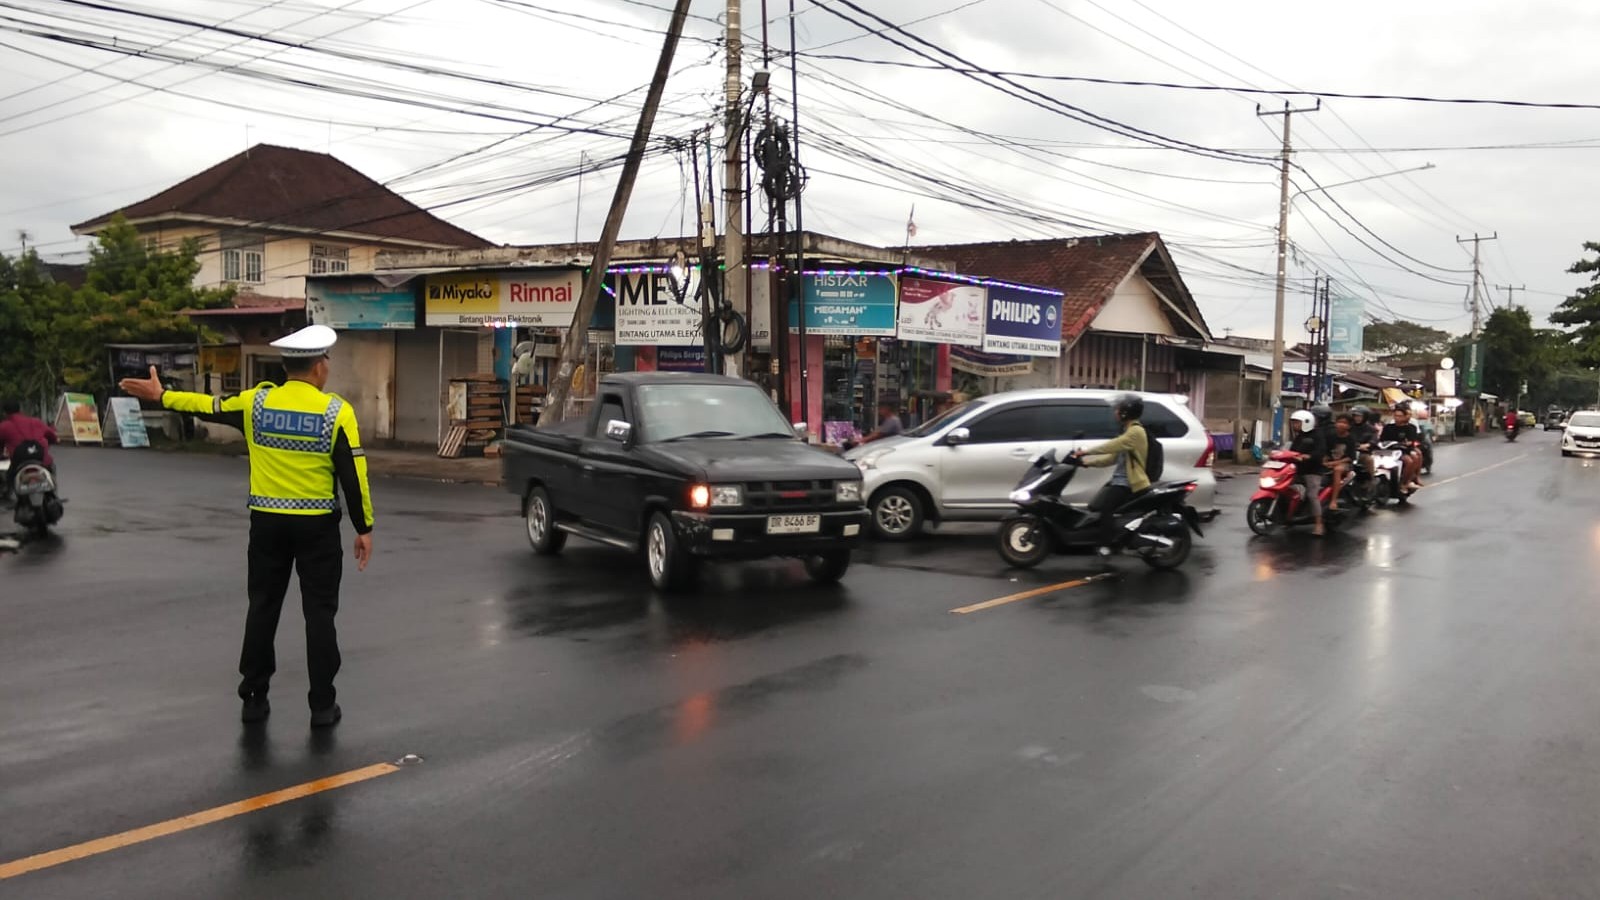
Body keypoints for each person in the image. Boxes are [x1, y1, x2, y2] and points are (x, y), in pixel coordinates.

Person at [119, 325, 374, 728]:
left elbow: (209, 405)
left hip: (267, 525)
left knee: (263, 606)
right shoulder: (335, 412)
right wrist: (364, 527)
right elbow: (353, 473)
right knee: (319, 615)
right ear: (320, 367)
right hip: (317, 529)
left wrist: (163, 395)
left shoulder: (256, 403)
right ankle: (322, 706)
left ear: (287, 365)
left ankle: (254, 696)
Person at [1073, 394, 1150, 555]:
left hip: (1128, 482)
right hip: (1119, 480)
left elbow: (1112, 446)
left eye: (1118, 409)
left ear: (1125, 413)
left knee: (1106, 509)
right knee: (1095, 505)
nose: (1115, 412)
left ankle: (1107, 545)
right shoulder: (1128, 431)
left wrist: (1086, 451)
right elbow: (1112, 458)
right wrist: (1087, 462)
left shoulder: (1135, 432)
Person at [0, 398, 58, 491]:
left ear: (5, 413)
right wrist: (48, 444)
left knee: (9, 479)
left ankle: (10, 492)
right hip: (41, 460)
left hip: (19, 463)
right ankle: (53, 494)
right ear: (20, 410)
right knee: (51, 467)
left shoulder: (4, 426)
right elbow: (52, 437)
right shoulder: (35, 421)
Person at [1287, 409, 1327, 535]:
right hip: (1297, 469)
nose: (1294, 426)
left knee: (1312, 495)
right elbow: (1291, 450)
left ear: (1306, 422)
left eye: (1297, 423)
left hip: (1312, 470)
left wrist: (1308, 456)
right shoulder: (1298, 437)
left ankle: (1319, 524)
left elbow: (1320, 451)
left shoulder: (1317, 435)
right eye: (1293, 423)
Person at [1380, 402, 1425, 491]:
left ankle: (1405, 482)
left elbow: (1411, 441)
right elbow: (1382, 439)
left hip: (1403, 450)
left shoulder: (1411, 427)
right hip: (1389, 450)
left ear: (1405, 416)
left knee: (1412, 458)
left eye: (1400, 416)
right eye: (1396, 415)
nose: (1397, 418)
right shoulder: (1388, 427)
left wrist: (1406, 444)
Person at [1324, 413, 1357, 511]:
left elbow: (1350, 457)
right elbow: (1325, 451)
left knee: (1337, 470)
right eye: (1339, 422)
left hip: (1345, 465)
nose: (1341, 425)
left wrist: (1334, 463)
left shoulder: (1351, 439)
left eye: (1344, 423)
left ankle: (1333, 500)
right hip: (1329, 462)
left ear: (1349, 426)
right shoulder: (1330, 436)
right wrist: (1324, 461)